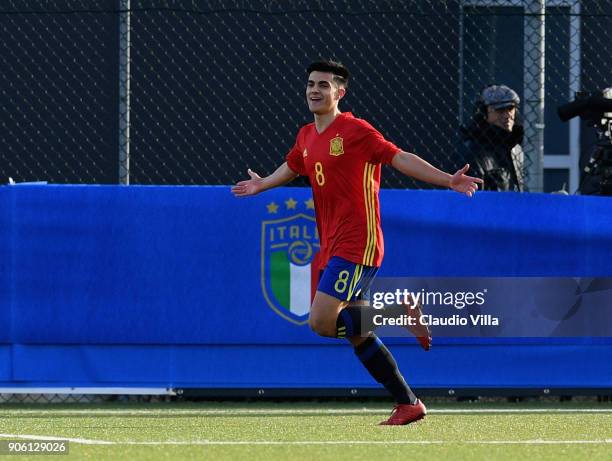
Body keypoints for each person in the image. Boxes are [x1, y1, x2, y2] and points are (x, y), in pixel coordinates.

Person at [232, 60, 482, 425]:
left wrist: (448, 180)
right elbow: (293, 165)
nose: (314, 90)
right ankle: (409, 402)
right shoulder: (306, 135)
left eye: (323, 85)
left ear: (340, 92)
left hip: (358, 242)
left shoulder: (355, 131)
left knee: (320, 322)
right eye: (310, 84)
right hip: (331, 245)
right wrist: (262, 184)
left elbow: (399, 158)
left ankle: (398, 313)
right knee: (358, 334)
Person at [458, 84, 524, 191]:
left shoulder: (515, 148)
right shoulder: (474, 151)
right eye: (500, 110)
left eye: (510, 108)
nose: (507, 115)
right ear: (484, 113)